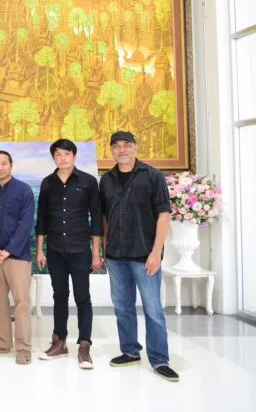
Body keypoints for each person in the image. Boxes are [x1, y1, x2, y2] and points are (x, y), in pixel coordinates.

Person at [100, 131, 179, 382]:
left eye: (126, 145)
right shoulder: (106, 179)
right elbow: (105, 216)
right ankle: (130, 351)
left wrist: (156, 253)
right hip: (116, 255)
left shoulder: (153, 176)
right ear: (111, 151)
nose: (121, 150)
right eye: (116, 146)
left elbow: (163, 215)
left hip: (145, 254)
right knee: (122, 307)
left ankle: (159, 359)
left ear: (135, 147)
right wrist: (105, 248)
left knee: (153, 310)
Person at [35, 139, 102, 369]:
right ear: (53, 158)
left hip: (80, 249)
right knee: (59, 296)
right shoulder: (47, 183)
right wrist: (40, 250)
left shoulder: (88, 182)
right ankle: (59, 343)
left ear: (74, 156)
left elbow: (96, 221)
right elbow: (41, 219)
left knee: (83, 297)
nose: (62, 158)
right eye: (58, 154)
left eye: (66, 154)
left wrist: (96, 254)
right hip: (55, 249)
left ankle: (84, 346)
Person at [0, 151, 35, 365]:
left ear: (11, 165)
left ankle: (23, 347)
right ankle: (2, 344)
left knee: (22, 303)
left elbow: (26, 224)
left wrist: (8, 250)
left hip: (18, 257)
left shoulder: (24, 190)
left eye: (4, 163)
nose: (0, 167)